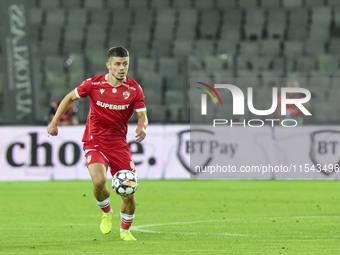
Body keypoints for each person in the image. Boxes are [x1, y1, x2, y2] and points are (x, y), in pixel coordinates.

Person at [47, 47, 148, 241]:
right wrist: (54, 122)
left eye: (125, 64)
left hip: (118, 144)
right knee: (99, 181)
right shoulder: (93, 84)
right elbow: (69, 97)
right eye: (117, 64)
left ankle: (125, 230)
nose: (121, 68)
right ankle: (107, 212)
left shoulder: (134, 89)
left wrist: (142, 126)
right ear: (108, 65)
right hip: (95, 141)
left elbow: (142, 115)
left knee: (129, 192)